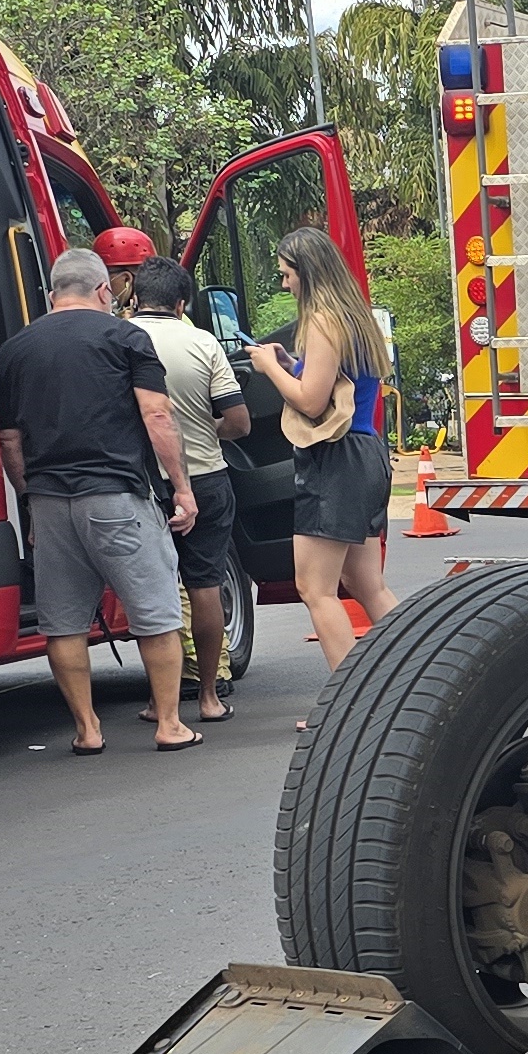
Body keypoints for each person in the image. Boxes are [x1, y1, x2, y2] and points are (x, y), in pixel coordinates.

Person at [0, 244, 200, 754]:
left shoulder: (14, 351)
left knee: (62, 622)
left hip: (48, 499)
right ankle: (169, 724)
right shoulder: (124, 337)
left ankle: (87, 730)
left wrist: (28, 498)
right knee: (155, 611)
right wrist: (182, 487)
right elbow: (157, 416)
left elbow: (9, 441)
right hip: (116, 495)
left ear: (52, 294)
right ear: (105, 290)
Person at [245, 226, 398, 675]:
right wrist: (295, 365)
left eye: (287, 274)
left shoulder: (322, 320)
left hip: (336, 459)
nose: (284, 284)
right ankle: (418, 673)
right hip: (368, 453)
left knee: (315, 588)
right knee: (366, 583)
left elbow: (311, 401)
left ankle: (346, 704)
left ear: (307, 273)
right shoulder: (355, 318)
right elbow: (337, 384)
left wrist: (270, 367)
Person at [129, 251, 245, 728]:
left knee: (153, 590)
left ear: (134, 297)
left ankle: (162, 701)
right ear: (182, 303)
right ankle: (210, 696)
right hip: (206, 478)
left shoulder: (118, 338)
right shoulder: (203, 344)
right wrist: (202, 430)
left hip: (140, 485)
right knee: (204, 585)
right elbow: (237, 421)